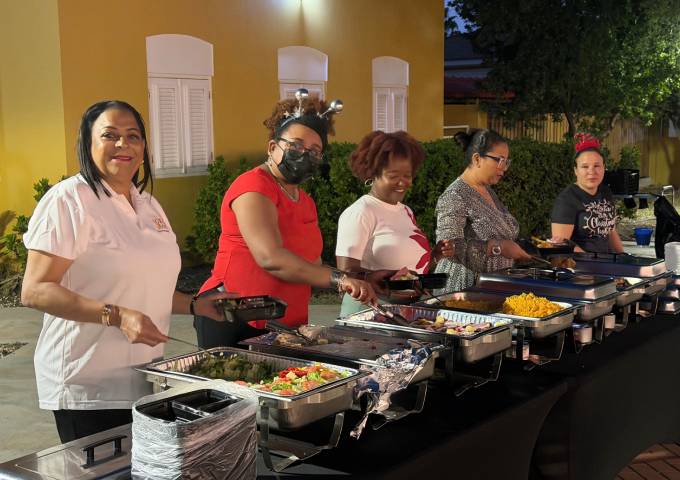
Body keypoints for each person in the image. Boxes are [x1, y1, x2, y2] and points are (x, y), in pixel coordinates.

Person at [20, 100, 231, 443]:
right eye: (110, 135)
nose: (123, 144)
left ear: (144, 148)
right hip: (87, 386)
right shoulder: (69, 200)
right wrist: (117, 316)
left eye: (133, 136)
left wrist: (196, 304)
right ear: (87, 144)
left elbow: (145, 284)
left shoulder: (147, 204)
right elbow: (35, 290)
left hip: (144, 380)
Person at [195, 91, 378, 348]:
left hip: (284, 323)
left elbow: (311, 266)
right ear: (273, 147)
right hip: (234, 316)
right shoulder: (253, 186)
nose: (304, 154)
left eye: (314, 151)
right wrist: (339, 279)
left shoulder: (305, 201)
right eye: (296, 145)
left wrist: (355, 281)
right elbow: (270, 258)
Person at [335, 130, 454, 315]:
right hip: (369, 312)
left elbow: (409, 270)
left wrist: (435, 256)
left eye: (407, 175)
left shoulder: (406, 211)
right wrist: (376, 279)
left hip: (405, 311)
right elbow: (345, 272)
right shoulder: (361, 212)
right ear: (373, 173)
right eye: (393, 176)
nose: (402, 182)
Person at [434, 129, 531, 292]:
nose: (504, 168)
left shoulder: (487, 191)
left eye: (506, 161)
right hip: (463, 289)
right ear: (477, 159)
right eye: (499, 160)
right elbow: (448, 248)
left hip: (494, 285)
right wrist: (498, 248)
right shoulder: (454, 195)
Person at [551, 133, 623, 253]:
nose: (591, 171)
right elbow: (561, 245)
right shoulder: (567, 200)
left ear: (603, 168)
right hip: (580, 263)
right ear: (576, 170)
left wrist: (623, 257)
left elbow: (610, 231)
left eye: (597, 166)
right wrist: (592, 261)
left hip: (607, 261)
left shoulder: (605, 192)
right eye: (585, 167)